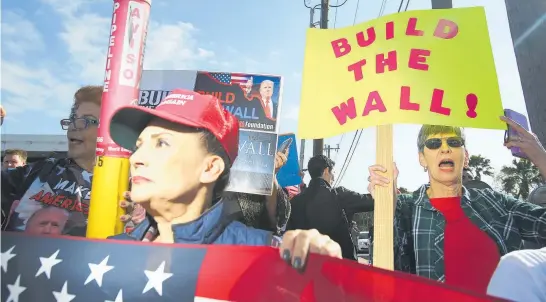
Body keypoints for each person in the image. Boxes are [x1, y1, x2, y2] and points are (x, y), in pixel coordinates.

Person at [107, 89, 341, 267]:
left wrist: (321, 267)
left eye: (161, 143)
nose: (136, 158)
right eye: (138, 146)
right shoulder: (104, 256)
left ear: (210, 168)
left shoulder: (266, 257)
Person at [367, 121, 546, 294]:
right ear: (422, 158)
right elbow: (384, 274)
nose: (445, 148)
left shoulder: (495, 203)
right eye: (434, 143)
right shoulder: (404, 207)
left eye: (453, 142)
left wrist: (540, 156)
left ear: (465, 156)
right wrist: (386, 204)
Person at [1, 86, 102, 235]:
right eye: (74, 119)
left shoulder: (130, 186)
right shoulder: (38, 172)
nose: (74, 126)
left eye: (88, 120)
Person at [287, 155, 374, 261]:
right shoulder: (339, 195)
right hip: (339, 264)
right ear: (326, 170)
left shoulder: (295, 202)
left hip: (306, 266)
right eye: (333, 173)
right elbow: (371, 202)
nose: (333, 178)